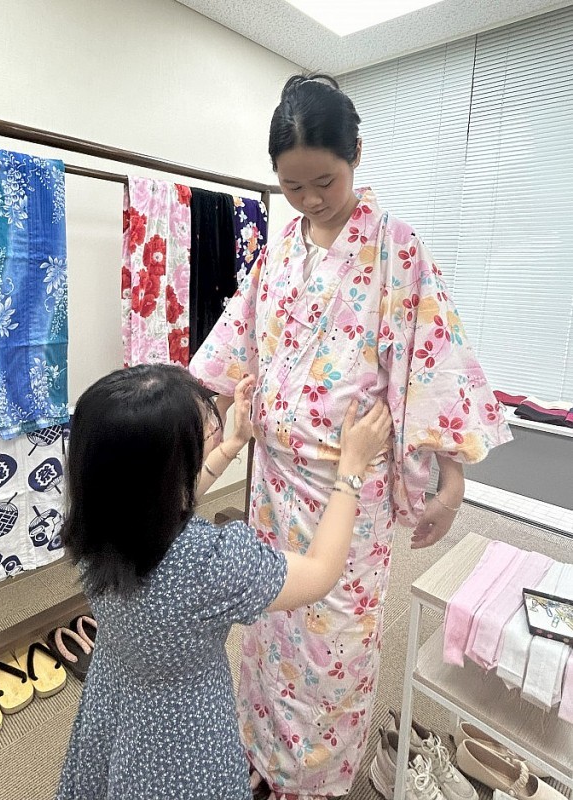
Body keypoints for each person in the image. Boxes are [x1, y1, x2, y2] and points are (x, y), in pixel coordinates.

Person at [188, 73, 513, 799]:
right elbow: (237, 344)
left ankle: (320, 777)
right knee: (272, 629)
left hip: (351, 485)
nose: (308, 200)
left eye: (323, 182)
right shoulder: (277, 253)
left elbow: (437, 361)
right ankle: (265, 758)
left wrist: (452, 478)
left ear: (357, 155)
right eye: (291, 187)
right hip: (274, 484)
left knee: (333, 642)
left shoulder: (398, 250)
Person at [54, 362, 391, 800]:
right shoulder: (212, 564)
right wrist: (351, 470)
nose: (212, 427)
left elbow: (165, 500)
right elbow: (322, 573)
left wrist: (233, 442)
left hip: (116, 696)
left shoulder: (95, 528)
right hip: (188, 730)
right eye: (202, 432)